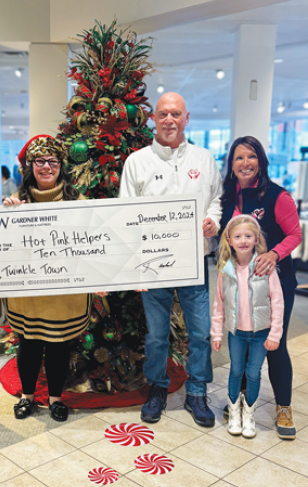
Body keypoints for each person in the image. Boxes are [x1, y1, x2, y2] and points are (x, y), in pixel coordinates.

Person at [119, 92, 223, 426]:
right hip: (153, 265)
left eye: (175, 114)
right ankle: (158, 388)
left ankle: (196, 392)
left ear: (186, 118)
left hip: (194, 262)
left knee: (200, 332)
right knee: (156, 335)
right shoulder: (137, 161)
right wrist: (134, 268)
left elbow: (216, 199)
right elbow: (126, 214)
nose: (169, 120)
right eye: (163, 114)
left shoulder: (204, 158)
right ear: (154, 118)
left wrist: (213, 221)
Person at [3, 135, 93, 422]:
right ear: (31, 166)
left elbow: (91, 243)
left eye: (52, 161)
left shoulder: (77, 201)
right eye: (40, 161)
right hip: (28, 292)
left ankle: (55, 399)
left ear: (60, 166)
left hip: (64, 292)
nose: (46, 167)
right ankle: (27, 397)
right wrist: (6, 217)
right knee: (28, 343)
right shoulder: (16, 203)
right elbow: (2, 245)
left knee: (58, 345)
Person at [220, 136, 302, 439]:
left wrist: (273, 253)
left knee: (273, 345)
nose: (245, 163)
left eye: (251, 157)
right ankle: (239, 401)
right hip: (239, 284)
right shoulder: (229, 198)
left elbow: (294, 234)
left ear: (261, 161)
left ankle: (283, 407)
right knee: (242, 341)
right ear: (231, 165)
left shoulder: (277, 196)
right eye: (238, 158)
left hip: (274, 284)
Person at [211, 215, 283, 438]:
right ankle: (234, 413)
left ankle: (249, 415)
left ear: (256, 239)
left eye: (248, 236)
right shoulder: (226, 271)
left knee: (253, 373)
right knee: (235, 371)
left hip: (261, 334)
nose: (243, 241)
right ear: (229, 240)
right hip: (237, 334)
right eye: (238, 236)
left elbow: (277, 301)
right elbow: (219, 303)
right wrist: (216, 333)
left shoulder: (265, 267)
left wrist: (275, 334)